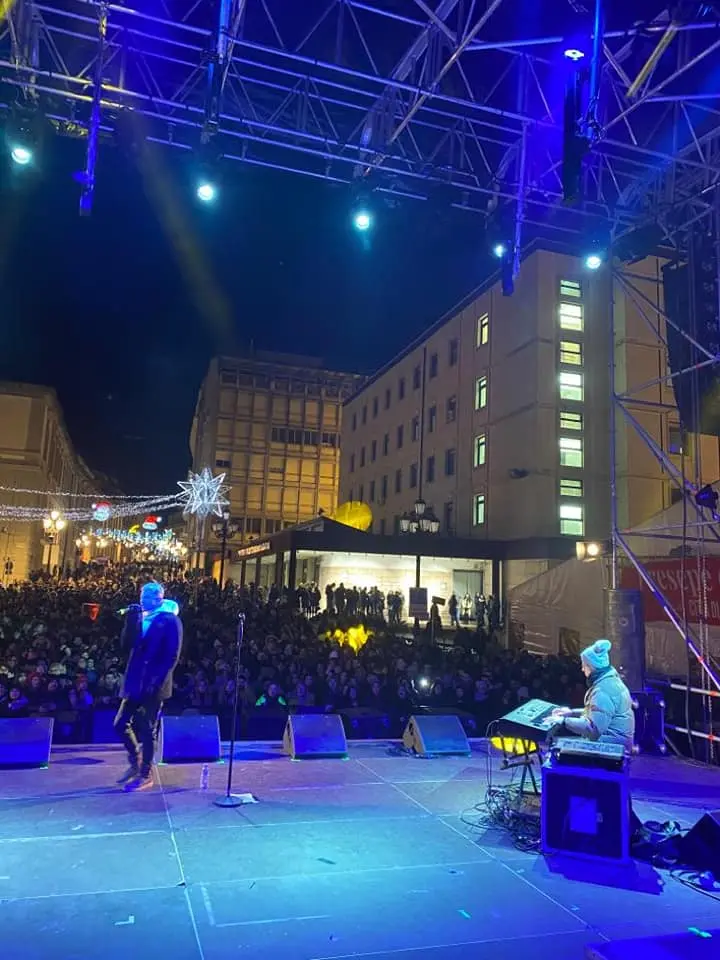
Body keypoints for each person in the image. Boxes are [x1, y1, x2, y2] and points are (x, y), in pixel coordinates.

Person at [114, 582, 183, 791]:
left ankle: (145, 773)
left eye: (147, 597)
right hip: (135, 680)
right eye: (141, 595)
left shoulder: (170, 620)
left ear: (159, 598)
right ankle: (136, 760)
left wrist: (157, 682)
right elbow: (126, 645)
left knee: (147, 727)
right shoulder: (140, 617)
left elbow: (172, 655)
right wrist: (130, 620)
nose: (142, 600)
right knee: (120, 723)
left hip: (154, 684)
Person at [551, 638, 635, 752]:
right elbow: (597, 712)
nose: (582, 669)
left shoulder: (603, 690)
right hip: (615, 743)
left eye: (584, 665)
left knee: (557, 748)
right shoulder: (610, 681)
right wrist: (571, 713)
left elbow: (593, 728)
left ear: (591, 667)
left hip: (611, 747)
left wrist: (563, 721)